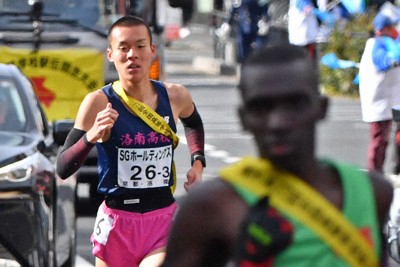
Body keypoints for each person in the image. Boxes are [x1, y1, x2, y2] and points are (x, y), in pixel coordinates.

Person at [161, 44, 393, 266]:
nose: (278, 122)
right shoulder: (211, 207)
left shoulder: (373, 193)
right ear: (244, 118)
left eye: (295, 103)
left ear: (321, 108)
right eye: (262, 107)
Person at [56, 15, 205, 267]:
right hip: (117, 222)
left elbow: (193, 122)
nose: (132, 55)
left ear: (152, 50)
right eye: (123, 48)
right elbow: (62, 167)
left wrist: (198, 161)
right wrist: (91, 137)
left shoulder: (175, 96)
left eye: (140, 46)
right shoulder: (97, 102)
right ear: (110, 54)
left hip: (162, 220)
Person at [359, 11, 400, 174]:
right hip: (379, 102)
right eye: (391, 27)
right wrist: (395, 57)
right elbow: (384, 63)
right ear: (382, 29)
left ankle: (396, 169)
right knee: (379, 140)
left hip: (392, 100)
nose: (395, 30)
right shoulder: (377, 45)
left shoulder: (389, 43)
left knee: (395, 136)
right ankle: (375, 175)